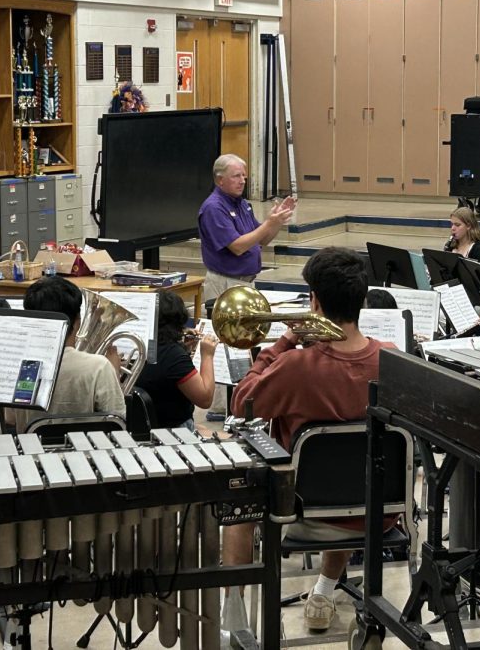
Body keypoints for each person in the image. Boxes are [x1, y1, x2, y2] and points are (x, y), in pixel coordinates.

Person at [221, 248, 383, 635]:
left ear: (313, 301)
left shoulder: (294, 366)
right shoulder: (392, 359)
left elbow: (242, 403)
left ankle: (233, 620)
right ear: (363, 299)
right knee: (352, 473)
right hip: (377, 510)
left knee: (237, 507)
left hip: (302, 512)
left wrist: (280, 346)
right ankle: (324, 591)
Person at [14, 276, 125, 429]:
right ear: (77, 321)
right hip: (86, 450)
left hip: (29, 449)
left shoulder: (19, 365)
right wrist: (114, 372)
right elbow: (118, 422)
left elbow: (10, 419)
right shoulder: (99, 366)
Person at [197, 154, 295, 301]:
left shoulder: (241, 203)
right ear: (220, 180)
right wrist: (268, 223)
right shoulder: (214, 208)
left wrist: (277, 222)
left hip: (247, 282)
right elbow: (238, 247)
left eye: (244, 176)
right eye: (236, 176)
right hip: (225, 283)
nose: (242, 181)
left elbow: (262, 240)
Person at [135, 291, 216, 430]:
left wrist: (183, 347)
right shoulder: (174, 356)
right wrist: (207, 355)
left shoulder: (135, 345)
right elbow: (205, 399)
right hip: (172, 429)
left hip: (138, 425)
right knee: (204, 429)